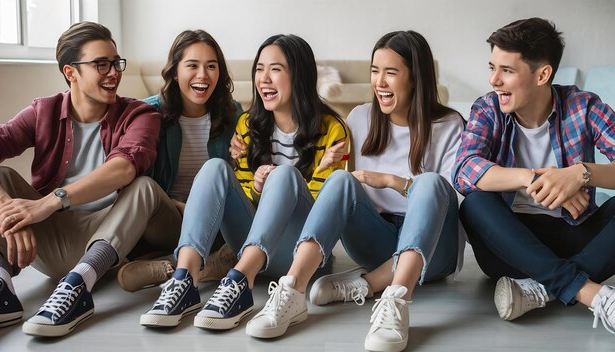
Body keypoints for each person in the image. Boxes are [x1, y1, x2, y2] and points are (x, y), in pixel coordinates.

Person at [240, 30, 464, 351]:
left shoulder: (450, 124)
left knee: (429, 182)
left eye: (391, 72)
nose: (380, 82)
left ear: (416, 77)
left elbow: (446, 199)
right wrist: (323, 168)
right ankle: (292, 291)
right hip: (375, 241)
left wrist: (390, 181)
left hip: (433, 252)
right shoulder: (360, 119)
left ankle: (391, 297)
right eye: (375, 71)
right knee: (340, 180)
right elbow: (332, 194)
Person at [139, 34, 348, 330]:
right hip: (252, 249)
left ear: (299, 75)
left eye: (275, 69)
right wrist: (258, 188)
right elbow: (244, 200)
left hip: (300, 257)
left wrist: (292, 179)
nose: (264, 78)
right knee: (215, 167)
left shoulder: (332, 130)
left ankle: (239, 283)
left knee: (285, 175)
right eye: (259, 69)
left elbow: (327, 211)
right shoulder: (248, 126)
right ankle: (185, 279)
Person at [0, 22, 180, 337]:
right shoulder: (43, 111)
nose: (113, 72)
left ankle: (79, 287)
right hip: (55, 241)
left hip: (114, 234)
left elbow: (124, 169)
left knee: (143, 187)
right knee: (0, 177)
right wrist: (4, 206)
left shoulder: (140, 114)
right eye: (100, 64)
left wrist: (48, 204)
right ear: (71, 72)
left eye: (116, 62)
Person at [453, 17, 615, 334]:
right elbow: (464, 169)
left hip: (574, 234)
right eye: (492, 68)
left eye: (507, 71)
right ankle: (589, 293)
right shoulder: (487, 109)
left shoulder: (584, 106)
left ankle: (540, 290)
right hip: (509, 245)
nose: (494, 80)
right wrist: (533, 178)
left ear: (542, 74)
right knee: (474, 204)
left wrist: (580, 174)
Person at [115, 29, 242, 293]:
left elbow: (237, 182)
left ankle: (168, 266)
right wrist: (180, 206)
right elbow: (140, 186)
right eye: (192, 66)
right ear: (175, 72)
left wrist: (242, 159)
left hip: (215, 221)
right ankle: (212, 264)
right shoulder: (148, 113)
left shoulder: (233, 113)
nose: (203, 75)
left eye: (211, 66)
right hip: (167, 218)